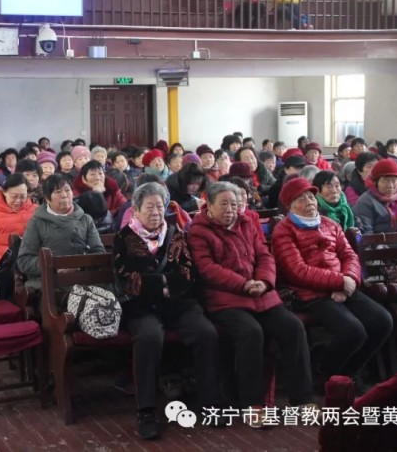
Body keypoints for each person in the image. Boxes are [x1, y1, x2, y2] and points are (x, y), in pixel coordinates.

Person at [188, 182, 313, 419]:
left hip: (260, 293)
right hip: (225, 298)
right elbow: (207, 268)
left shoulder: (247, 223)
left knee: (293, 327)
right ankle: (252, 404)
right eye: (223, 204)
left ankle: (302, 398)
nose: (230, 209)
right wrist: (242, 284)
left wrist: (264, 281)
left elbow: (264, 255)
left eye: (234, 204)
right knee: (251, 332)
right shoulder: (199, 229)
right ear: (209, 206)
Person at [113, 182, 221, 440]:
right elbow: (128, 279)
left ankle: (210, 403)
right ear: (136, 210)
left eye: (159, 207)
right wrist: (163, 283)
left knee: (206, 333)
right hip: (142, 308)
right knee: (150, 337)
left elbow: (187, 274)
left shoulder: (176, 233)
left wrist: (157, 283)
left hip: (179, 304)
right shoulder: (124, 238)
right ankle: (146, 410)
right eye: (149, 207)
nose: (155, 212)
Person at [272, 178, 393, 392]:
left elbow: (349, 256)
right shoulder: (284, 230)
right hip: (310, 294)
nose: (309, 202)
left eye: (311, 197)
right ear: (289, 205)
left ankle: (347, 373)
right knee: (353, 330)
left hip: (343, 285)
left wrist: (350, 280)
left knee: (382, 321)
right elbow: (296, 271)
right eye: (301, 199)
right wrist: (338, 282)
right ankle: (325, 372)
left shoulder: (330, 224)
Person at [16, 174, 105, 289]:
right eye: (58, 192)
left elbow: (99, 252)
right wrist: (54, 267)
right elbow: (24, 261)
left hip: (83, 279)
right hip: (50, 281)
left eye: (67, 190)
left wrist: (78, 266)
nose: (64, 196)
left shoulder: (85, 219)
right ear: (47, 198)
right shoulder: (36, 222)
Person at [0, 173, 36, 269]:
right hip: (7, 265)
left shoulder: (36, 211)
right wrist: (2, 264)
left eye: (22, 196)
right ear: (4, 192)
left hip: (33, 263)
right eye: (14, 196)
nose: (18, 201)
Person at [354, 159, 397, 234]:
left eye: (394, 181)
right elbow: (366, 233)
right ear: (375, 182)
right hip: (381, 244)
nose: (390, 186)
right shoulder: (366, 202)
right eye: (385, 181)